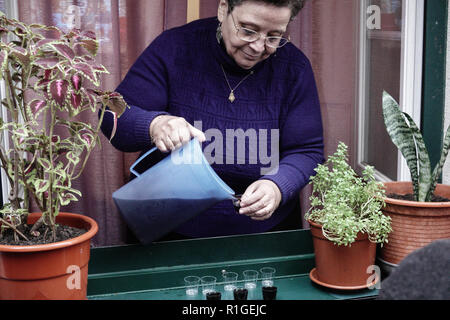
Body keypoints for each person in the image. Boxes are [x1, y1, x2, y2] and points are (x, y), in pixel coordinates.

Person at [101, 0, 324, 241]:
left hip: (262, 233)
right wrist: (154, 124)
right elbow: (111, 114)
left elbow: (308, 150)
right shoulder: (174, 47)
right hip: (167, 227)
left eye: (273, 37)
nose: (258, 47)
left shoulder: (294, 67)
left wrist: (278, 186)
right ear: (223, 9)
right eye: (248, 30)